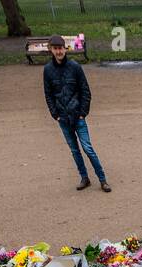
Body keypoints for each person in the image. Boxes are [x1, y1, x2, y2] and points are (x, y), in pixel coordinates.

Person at [43, 36, 110, 193]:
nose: (59, 51)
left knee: (87, 148)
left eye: (61, 48)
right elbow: (48, 95)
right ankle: (84, 178)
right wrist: (55, 115)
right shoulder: (47, 70)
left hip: (77, 115)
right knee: (74, 150)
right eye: (55, 48)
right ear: (51, 50)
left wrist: (82, 113)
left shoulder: (75, 67)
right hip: (63, 118)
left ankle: (102, 179)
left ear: (65, 49)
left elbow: (85, 91)